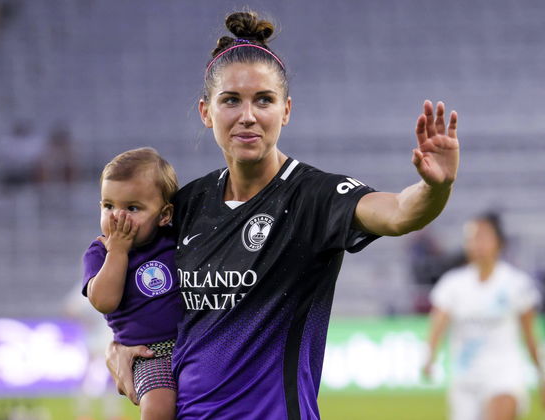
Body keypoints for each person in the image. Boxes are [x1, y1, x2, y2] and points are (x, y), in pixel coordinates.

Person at [106, 11, 460, 419]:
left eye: (264, 100)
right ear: (206, 112)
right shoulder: (186, 205)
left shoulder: (313, 196)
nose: (248, 115)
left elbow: (399, 213)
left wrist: (436, 187)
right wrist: (119, 344)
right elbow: (139, 289)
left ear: (286, 110)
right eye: (231, 100)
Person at [82, 147, 184, 420]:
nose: (117, 217)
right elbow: (103, 301)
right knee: (158, 407)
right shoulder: (101, 251)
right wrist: (118, 253)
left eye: (132, 208)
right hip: (149, 353)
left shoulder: (173, 240)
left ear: (164, 215)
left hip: (193, 344)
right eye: (108, 206)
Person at [423, 212, 544, 420]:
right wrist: (429, 356)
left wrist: (541, 373)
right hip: (465, 379)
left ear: (499, 243)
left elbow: (530, 335)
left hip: (504, 374)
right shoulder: (452, 284)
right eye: (471, 238)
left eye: (483, 237)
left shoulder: (516, 283)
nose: (477, 244)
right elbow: (438, 323)